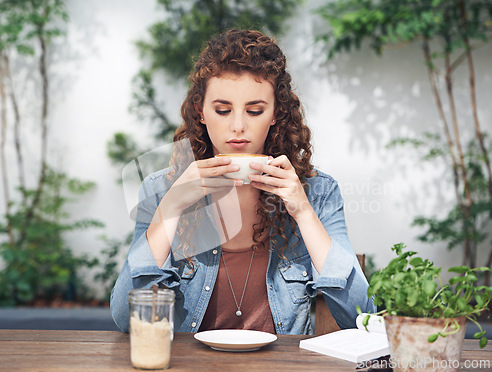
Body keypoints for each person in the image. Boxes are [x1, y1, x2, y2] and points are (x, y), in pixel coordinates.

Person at [110, 29, 375, 335]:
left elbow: (363, 317)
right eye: (222, 110)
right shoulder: (160, 189)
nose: (237, 127)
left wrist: (302, 211)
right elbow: (123, 317)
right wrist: (172, 205)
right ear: (201, 112)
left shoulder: (317, 192)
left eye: (255, 110)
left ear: (276, 113)